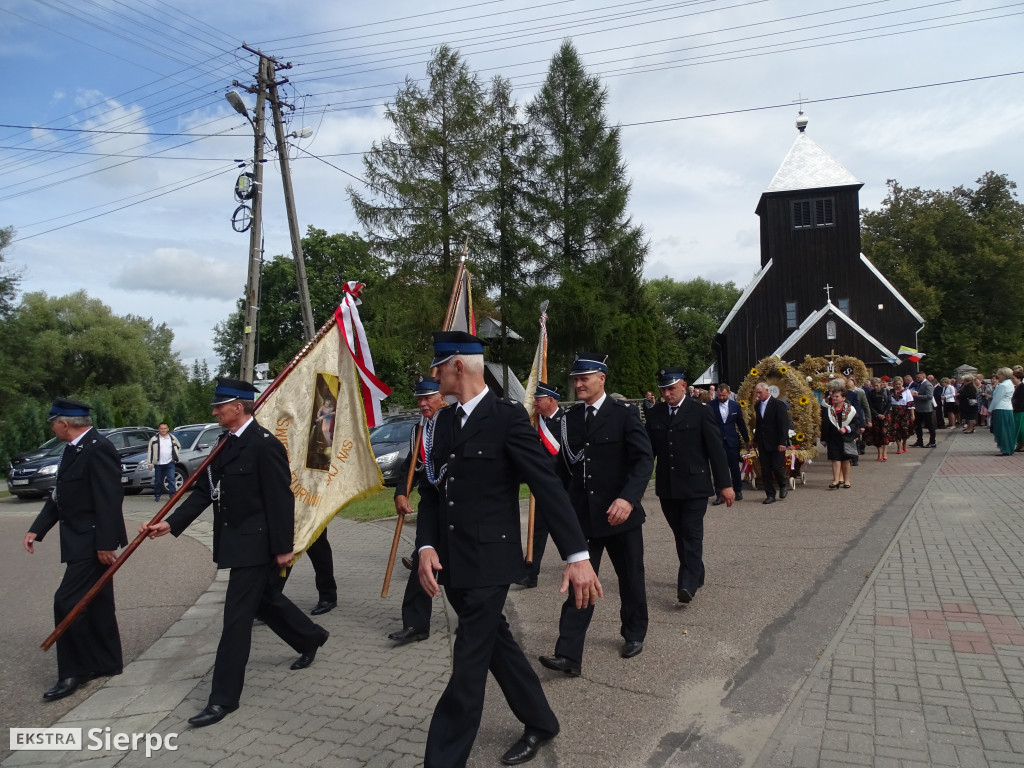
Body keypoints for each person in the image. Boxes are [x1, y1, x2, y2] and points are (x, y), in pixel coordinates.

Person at [415, 332, 601, 768]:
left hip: (490, 564)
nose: (433, 375)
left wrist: (577, 556)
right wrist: (425, 544)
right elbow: (432, 492)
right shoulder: (442, 422)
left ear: (458, 366)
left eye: (438, 367)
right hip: (452, 563)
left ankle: (441, 760)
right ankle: (541, 721)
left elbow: (546, 485)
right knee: (497, 645)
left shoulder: (507, 418)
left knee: (467, 667)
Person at [141, 378, 330, 727]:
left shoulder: (264, 445)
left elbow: (280, 499)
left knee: (236, 621)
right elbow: (203, 490)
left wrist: (283, 549)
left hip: (257, 546)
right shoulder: (222, 444)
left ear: (239, 407)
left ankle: (223, 699)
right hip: (235, 542)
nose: (214, 411)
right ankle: (311, 636)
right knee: (264, 601)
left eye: (219, 406)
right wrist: (171, 523)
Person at [539, 352, 653, 676]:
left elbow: (644, 460)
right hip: (584, 517)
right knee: (581, 582)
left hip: (620, 516)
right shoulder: (570, 418)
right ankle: (569, 655)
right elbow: (564, 468)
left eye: (584, 378)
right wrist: (552, 499)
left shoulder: (624, 414)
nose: (578, 384)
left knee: (631, 578)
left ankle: (634, 633)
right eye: (575, 379)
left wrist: (628, 499)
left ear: (601, 378)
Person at [24, 398, 128, 702]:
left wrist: (106, 544)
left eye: (53, 422)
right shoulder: (73, 450)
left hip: (93, 542)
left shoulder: (98, 448)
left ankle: (75, 671)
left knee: (66, 602)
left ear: (64, 423)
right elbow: (60, 496)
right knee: (96, 602)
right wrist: (37, 528)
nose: (52, 427)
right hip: (81, 540)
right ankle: (106, 662)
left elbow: (110, 499)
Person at [645, 368, 734, 605]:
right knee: (680, 533)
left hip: (695, 485)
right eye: (663, 389)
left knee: (691, 533)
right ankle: (697, 570)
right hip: (668, 487)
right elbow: (647, 454)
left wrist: (724, 485)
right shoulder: (655, 414)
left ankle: (687, 583)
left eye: (671, 388)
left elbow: (716, 451)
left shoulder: (700, 412)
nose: (666, 393)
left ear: (684, 386)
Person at [388, 377, 446, 643]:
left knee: (462, 567)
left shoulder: (454, 424)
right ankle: (416, 625)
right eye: (419, 400)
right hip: (430, 506)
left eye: (428, 398)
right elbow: (410, 466)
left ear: (442, 398)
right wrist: (401, 491)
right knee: (420, 562)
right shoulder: (419, 430)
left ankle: (477, 622)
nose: (423, 404)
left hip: (457, 507)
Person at [516, 381, 566, 589]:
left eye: (538, 399)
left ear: (551, 400)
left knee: (570, 529)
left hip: (564, 486)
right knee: (537, 530)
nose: (534, 403)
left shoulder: (566, 421)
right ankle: (530, 574)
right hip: (543, 487)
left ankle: (584, 560)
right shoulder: (535, 424)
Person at [749, 381, 790, 504]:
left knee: (777, 467)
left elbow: (783, 425)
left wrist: (783, 442)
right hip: (763, 442)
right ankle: (770, 494)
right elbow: (759, 424)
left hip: (777, 442)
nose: (758, 395)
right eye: (756, 393)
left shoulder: (778, 405)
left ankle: (783, 484)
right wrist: (755, 440)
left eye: (760, 392)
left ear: (767, 391)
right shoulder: (758, 405)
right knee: (765, 470)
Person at [709, 383, 748, 503]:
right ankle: (719, 494)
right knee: (718, 468)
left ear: (729, 393)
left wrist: (747, 440)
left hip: (732, 441)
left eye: (723, 395)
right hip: (717, 442)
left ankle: (738, 490)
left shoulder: (735, 406)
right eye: (719, 395)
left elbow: (740, 423)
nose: (721, 397)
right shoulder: (710, 406)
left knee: (734, 467)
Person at [820, 387, 862, 488]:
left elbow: (856, 424)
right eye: (833, 396)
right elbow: (824, 425)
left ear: (843, 398)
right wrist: (824, 438)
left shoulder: (850, 409)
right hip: (833, 437)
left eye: (837, 396)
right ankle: (836, 480)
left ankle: (847, 480)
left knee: (845, 459)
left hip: (846, 437)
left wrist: (847, 428)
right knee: (835, 459)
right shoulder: (829, 410)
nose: (834, 398)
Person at [147, 423, 181, 502]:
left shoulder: (172, 438)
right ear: (159, 429)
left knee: (171, 479)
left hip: (170, 463)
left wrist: (175, 457)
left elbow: (178, 447)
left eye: (165, 428)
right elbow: (150, 451)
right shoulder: (154, 439)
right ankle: (157, 495)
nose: (163, 430)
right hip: (158, 464)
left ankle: (172, 496)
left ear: (168, 429)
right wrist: (150, 463)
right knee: (158, 481)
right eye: (161, 428)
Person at [989, 367, 1016, 456]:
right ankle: (1008, 447)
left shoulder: (1003, 385)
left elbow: (996, 399)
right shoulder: (1009, 384)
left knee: (1002, 429)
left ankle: (1005, 449)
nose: (998, 376)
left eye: (999, 374)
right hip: (1007, 408)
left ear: (1004, 375)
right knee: (1008, 429)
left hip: (1001, 408)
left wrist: (990, 409)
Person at [865, 376, 892, 461]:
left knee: (885, 433)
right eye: (874, 386)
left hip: (885, 415)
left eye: (877, 385)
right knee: (877, 434)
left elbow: (889, 403)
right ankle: (879, 453)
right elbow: (870, 405)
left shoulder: (886, 391)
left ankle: (885, 453)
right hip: (875, 416)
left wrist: (884, 414)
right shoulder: (871, 393)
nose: (876, 387)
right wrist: (877, 414)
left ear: (880, 384)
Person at [911, 372, 937, 447]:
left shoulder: (927, 384)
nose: (917, 379)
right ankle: (919, 441)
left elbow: (929, 396)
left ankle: (932, 442)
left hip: (926, 409)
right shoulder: (920, 384)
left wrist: (917, 396)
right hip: (919, 408)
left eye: (918, 377)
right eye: (916, 377)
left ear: (923, 376)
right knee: (917, 425)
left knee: (929, 425)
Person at [890, 377, 914, 453]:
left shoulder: (906, 391)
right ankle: (899, 446)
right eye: (896, 384)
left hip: (904, 412)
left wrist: (912, 415)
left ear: (902, 383)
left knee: (904, 429)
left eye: (899, 384)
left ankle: (904, 442)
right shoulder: (890, 392)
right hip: (894, 412)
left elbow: (910, 403)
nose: (897, 386)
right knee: (895, 429)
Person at [1012, 367, 1024, 452]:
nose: (1012, 380)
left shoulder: (1022, 387)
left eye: (1014, 378)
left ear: (1019, 379)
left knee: (1020, 428)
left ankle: (1022, 443)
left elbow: (1021, 399)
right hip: (1016, 409)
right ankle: (1020, 443)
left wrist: (1015, 404)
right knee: (1018, 428)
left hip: (1020, 410)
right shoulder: (1017, 387)